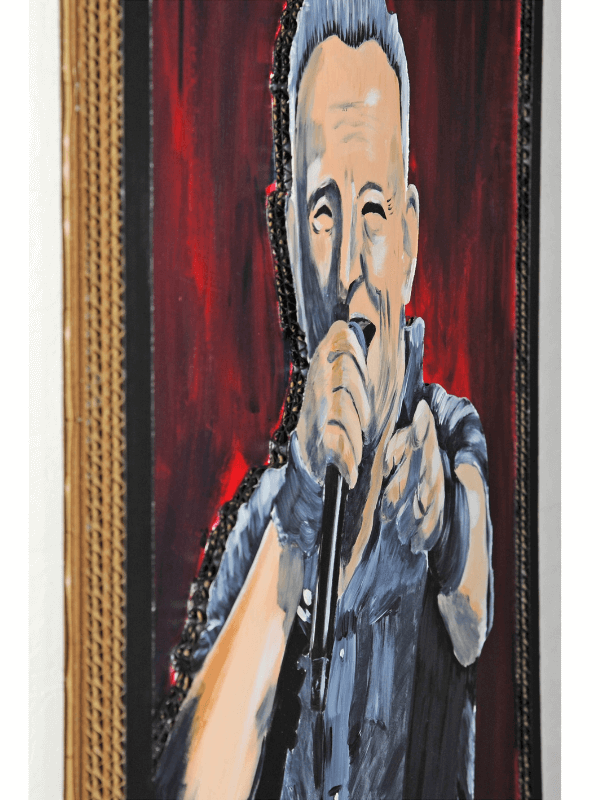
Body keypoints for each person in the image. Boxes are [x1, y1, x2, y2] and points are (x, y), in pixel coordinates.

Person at [156, 1, 493, 798]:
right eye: (321, 213)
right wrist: (300, 513)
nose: (347, 268)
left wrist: (443, 519)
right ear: (286, 238)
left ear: (409, 238)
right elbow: (191, 788)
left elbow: (475, 611)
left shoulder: (448, 439)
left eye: (372, 211)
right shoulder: (266, 522)